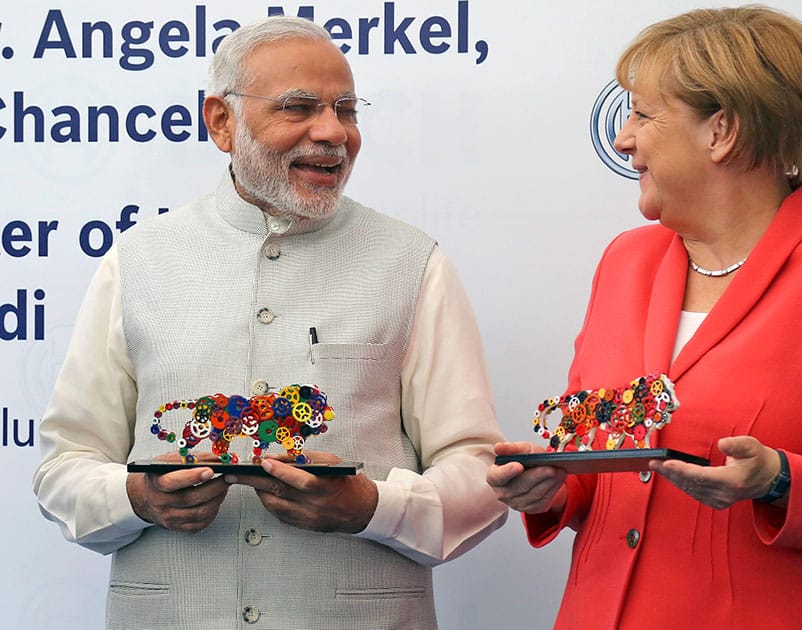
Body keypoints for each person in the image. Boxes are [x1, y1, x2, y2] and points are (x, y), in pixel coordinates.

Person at [33, 16, 506, 630]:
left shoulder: (413, 263)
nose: (333, 133)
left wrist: (372, 507)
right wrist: (138, 498)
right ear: (222, 123)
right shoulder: (138, 260)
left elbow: (479, 472)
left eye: (346, 110)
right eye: (298, 108)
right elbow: (63, 468)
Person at [488, 6, 802, 629]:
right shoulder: (628, 260)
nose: (622, 139)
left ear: (722, 131)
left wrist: (779, 479)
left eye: (643, 115)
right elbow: (597, 453)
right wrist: (553, 486)